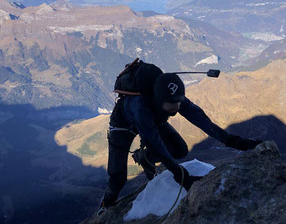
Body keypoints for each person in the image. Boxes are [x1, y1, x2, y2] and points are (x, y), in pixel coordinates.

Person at [98, 69, 260, 215]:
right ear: (158, 99)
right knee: (118, 176)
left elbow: (202, 121)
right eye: (172, 104)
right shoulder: (141, 107)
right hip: (123, 126)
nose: (176, 107)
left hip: (154, 119)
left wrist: (234, 142)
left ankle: (143, 157)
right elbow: (154, 141)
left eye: (179, 102)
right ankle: (107, 203)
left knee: (179, 150)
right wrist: (182, 176)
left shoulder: (171, 97)